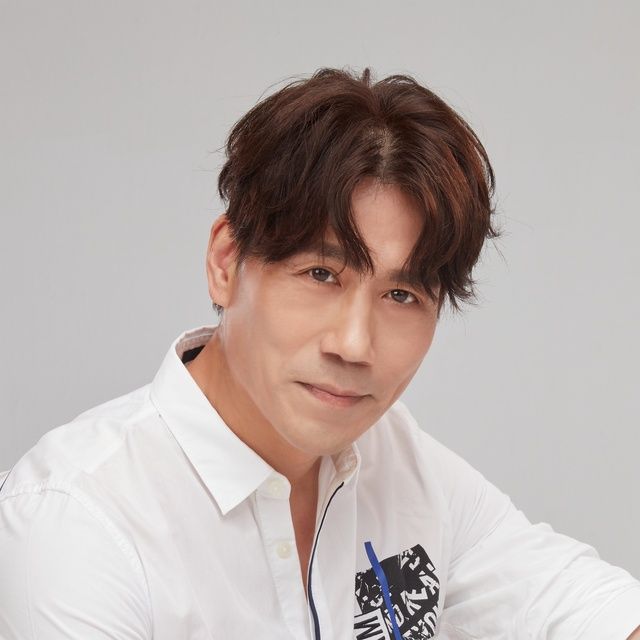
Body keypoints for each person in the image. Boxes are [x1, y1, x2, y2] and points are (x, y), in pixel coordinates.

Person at [0, 67, 638, 640]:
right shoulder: (77, 524)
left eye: (401, 295)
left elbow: (586, 608)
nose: (355, 345)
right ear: (226, 262)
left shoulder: (402, 465)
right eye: (321, 275)